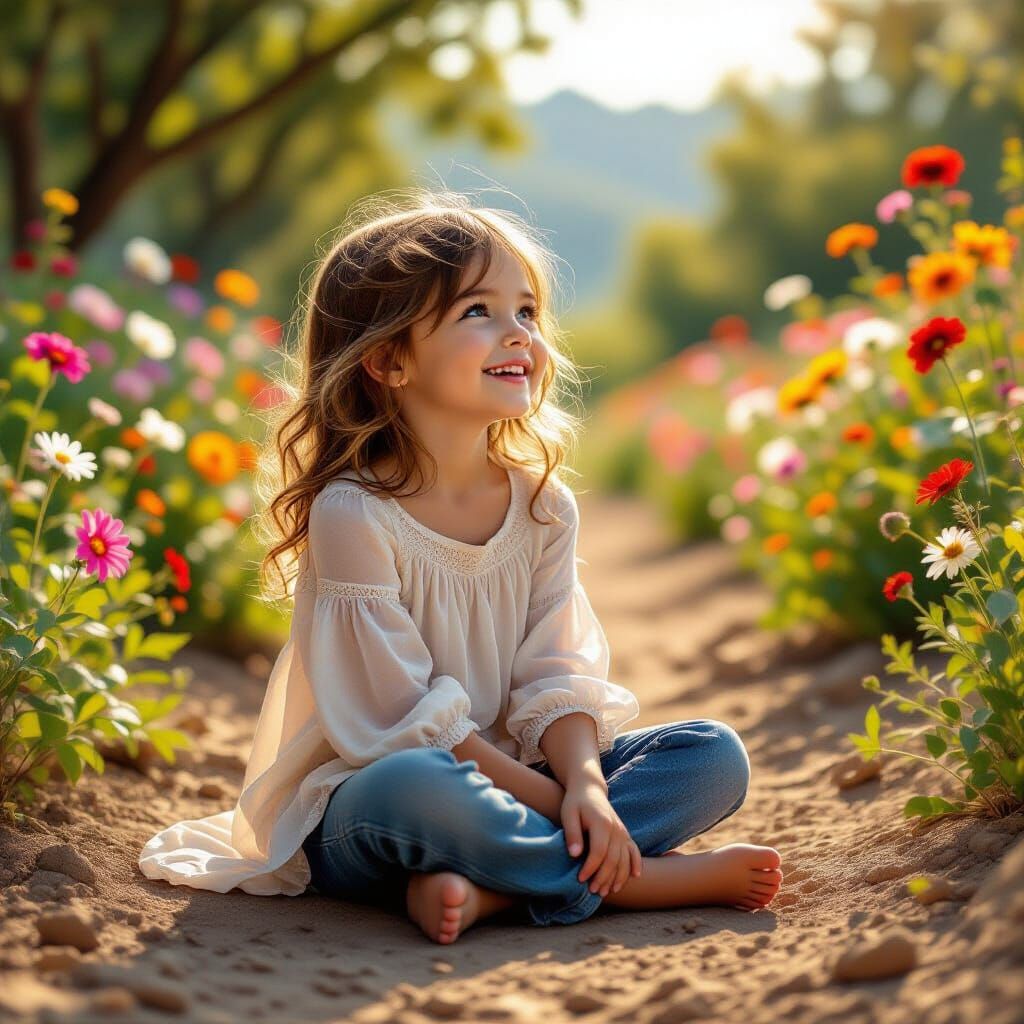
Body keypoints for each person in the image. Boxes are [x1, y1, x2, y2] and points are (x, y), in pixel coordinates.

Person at [138, 190, 782, 943]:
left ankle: (497, 892)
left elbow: (556, 671)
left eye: (527, 313)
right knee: (421, 790)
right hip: (370, 799)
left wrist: (584, 786)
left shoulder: (541, 506)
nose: (518, 336)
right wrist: (558, 804)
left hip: (519, 779)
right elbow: (405, 726)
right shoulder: (353, 512)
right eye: (478, 312)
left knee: (710, 756)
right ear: (387, 358)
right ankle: (642, 881)